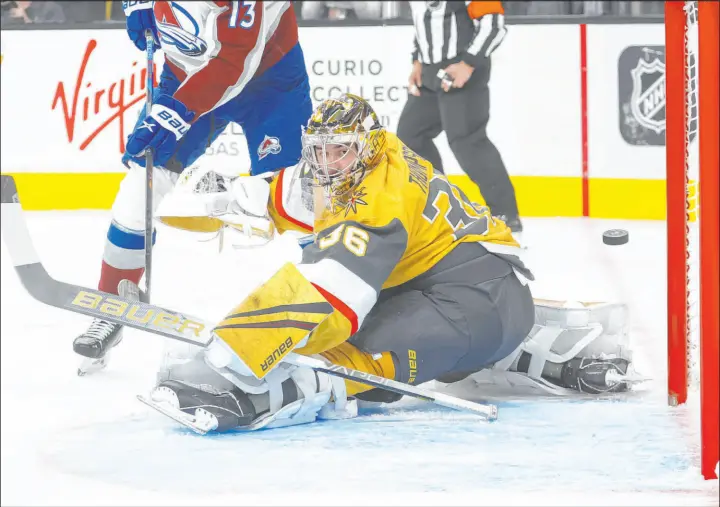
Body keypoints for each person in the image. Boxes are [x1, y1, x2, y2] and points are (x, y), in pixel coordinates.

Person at [136, 94, 639, 433]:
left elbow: (330, 294)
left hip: (470, 307)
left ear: (365, 149)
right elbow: (295, 193)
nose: (327, 162)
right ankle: (527, 345)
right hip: (481, 293)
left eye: (339, 151)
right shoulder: (374, 157)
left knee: (336, 353)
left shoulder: (374, 198)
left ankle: (244, 396)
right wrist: (234, 197)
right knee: (347, 307)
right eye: (320, 150)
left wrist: (240, 344)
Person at [72, 1, 313, 374]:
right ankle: (111, 306)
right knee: (143, 178)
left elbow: (233, 62)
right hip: (185, 69)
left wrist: (178, 112)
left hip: (268, 78)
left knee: (297, 197)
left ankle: (338, 306)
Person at [397, 1, 522, 232]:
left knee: (467, 141)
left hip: (462, 67)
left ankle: (505, 213)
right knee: (410, 136)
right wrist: (417, 61)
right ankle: (439, 207)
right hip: (429, 71)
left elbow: (493, 23)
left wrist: (468, 63)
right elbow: (423, 22)